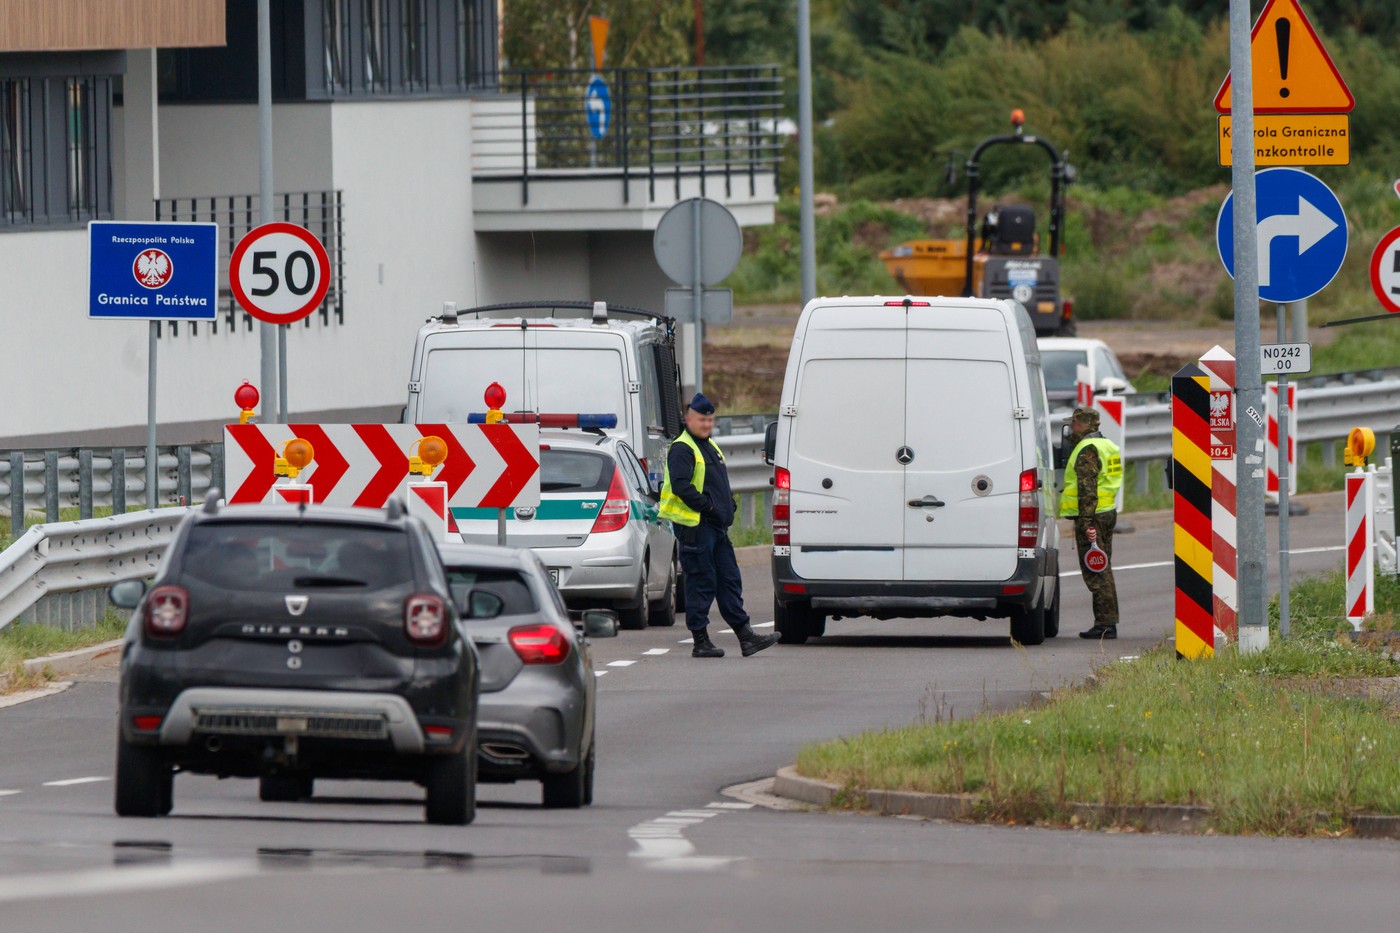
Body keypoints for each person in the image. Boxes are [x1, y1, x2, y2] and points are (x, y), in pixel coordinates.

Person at [659, 393, 779, 659]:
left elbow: (716, 483)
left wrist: (729, 506)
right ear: (689, 419)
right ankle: (700, 641)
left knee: (729, 580)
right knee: (701, 583)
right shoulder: (683, 448)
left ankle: (746, 637)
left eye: (710, 419)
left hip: (716, 528)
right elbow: (681, 486)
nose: (706, 424)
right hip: (695, 528)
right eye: (702, 419)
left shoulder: (709, 445)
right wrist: (710, 508)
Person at [1060, 406, 1123, 639]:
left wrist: (1086, 524)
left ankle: (1105, 624)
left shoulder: (1087, 449)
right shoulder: (1106, 445)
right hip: (1105, 511)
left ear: (1082, 424)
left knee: (1096, 569)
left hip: (1093, 515)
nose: (1072, 429)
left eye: (1074, 424)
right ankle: (1107, 622)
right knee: (1103, 567)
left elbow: (1088, 490)